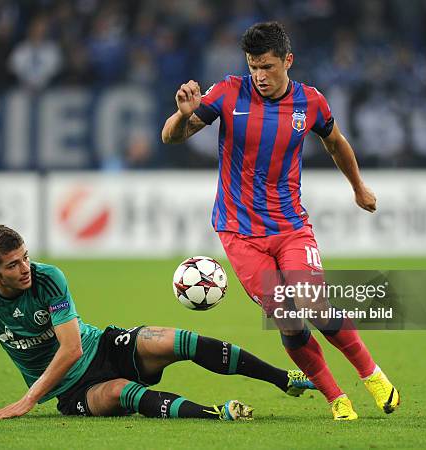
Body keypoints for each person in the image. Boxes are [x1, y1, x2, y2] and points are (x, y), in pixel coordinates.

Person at [162, 21, 400, 420]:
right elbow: (172, 137)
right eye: (254, 66)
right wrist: (182, 116)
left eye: (268, 66)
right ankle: (335, 397)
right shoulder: (225, 93)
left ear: (288, 61)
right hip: (238, 232)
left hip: (290, 226)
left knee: (315, 303)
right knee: (289, 322)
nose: (260, 76)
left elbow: (336, 142)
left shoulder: (311, 102)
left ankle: (371, 374)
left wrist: (358, 187)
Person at [0, 224, 315, 420]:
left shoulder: (48, 278)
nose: (25, 269)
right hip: (70, 392)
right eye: (13, 265)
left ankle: (285, 380)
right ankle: (218, 414)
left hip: (101, 346)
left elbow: (72, 348)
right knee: (123, 393)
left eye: (26, 258)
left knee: (180, 341)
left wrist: (27, 399)